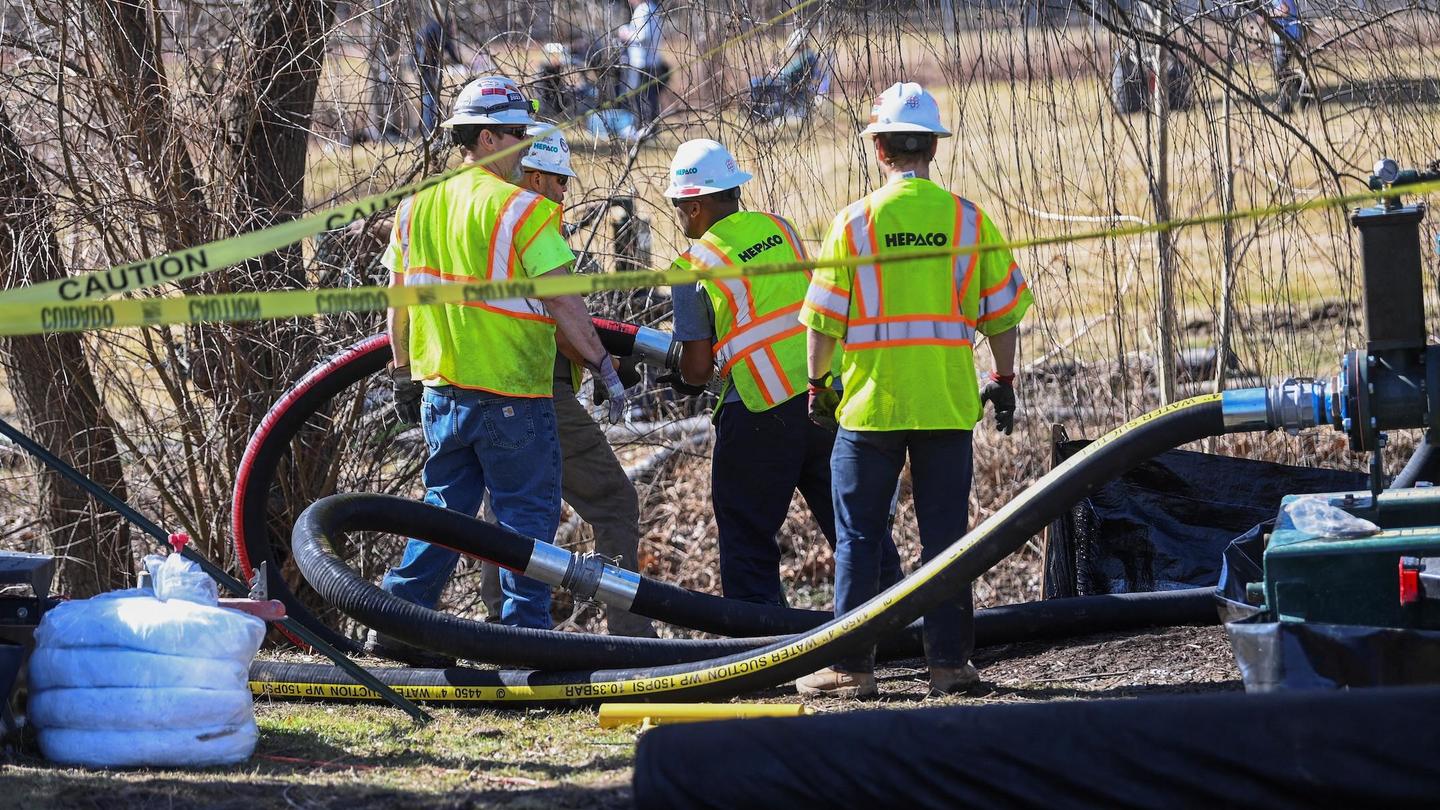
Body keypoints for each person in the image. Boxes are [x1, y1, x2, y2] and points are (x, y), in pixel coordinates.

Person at [371, 76, 632, 664]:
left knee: (444, 512)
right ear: (487, 138)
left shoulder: (416, 205)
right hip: (512, 393)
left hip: (442, 391)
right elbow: (563, 300)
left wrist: (401, 372)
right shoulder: (524, 210)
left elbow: (398, 299)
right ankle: (523, 643)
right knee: (526, 522)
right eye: (517, 135)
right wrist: (602, 365)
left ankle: (398, 620)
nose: (524, 147)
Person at [795, 82, 1032, 698]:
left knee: (859, 537)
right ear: (931, 147)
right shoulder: (966, 219)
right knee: (947, 541)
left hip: (871, 407)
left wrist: (817, 386)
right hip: (947, 404)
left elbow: (823, 323)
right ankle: (950, 666)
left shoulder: (855, 223)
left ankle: (852, 670)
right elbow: (1003, 314)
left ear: (879, 150)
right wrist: (1003, 382)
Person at [661, 138, 901, 606]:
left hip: (758, 411)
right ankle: (897, 619)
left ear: (694, 204)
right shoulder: (780, 228)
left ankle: (761, 649)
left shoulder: (690, 268)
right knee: (852, 523)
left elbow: (696, 368)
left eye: (677, 204)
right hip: (822, 397)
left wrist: (679, 372)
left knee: (747, 535)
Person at [476, 125, 657, 638]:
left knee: (509, 511)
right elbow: (556, 312)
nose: (563, 193)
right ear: (534, 176)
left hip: (485, 387)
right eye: (559, 182)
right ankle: (630, 636)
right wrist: (605, 364)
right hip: (537, 390)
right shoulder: (531, 223)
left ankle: (499, 627)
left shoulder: (487, 221)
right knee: (613, 501)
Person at [619, 0, 664, 127]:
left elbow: (643, 36)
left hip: (643, 62)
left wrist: (627, 35)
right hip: (650, 61)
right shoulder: (652, 8)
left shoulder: (644, 10)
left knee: (643, 97)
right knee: (649, 97)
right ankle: (647, 128)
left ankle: (644, 128)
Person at [414, 16, 461, 135]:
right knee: (429, 99)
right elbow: (450, 48)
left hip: (419, 67)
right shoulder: (440, 31)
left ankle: (430, 128)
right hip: (427, 69)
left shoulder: (431, 27)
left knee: (428, 98)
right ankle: (430, 129)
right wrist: (459, 62)